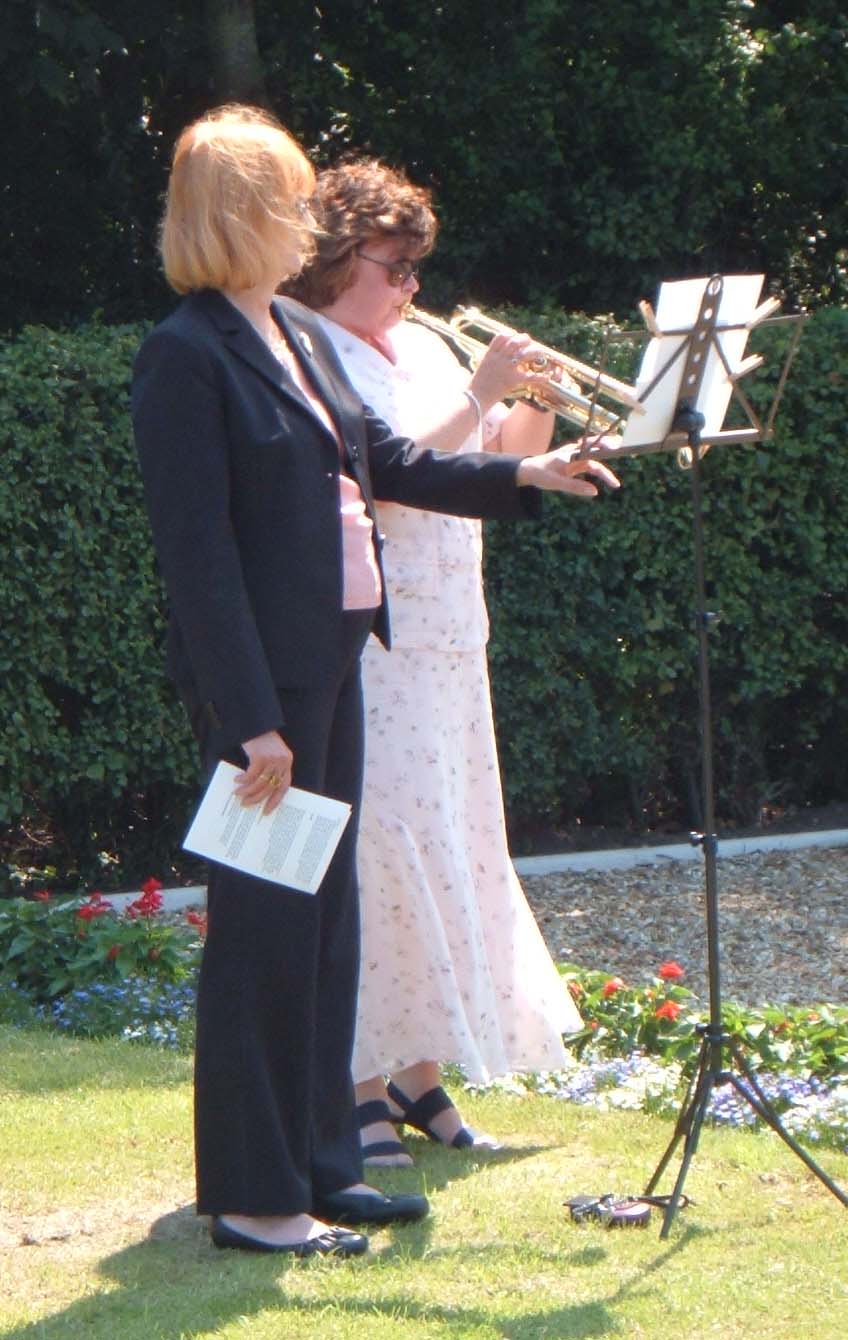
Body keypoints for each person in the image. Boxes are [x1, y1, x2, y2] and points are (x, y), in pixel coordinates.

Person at [132, 105, 619, 1257]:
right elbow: (198, 561)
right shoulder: (185, 353)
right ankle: (253, 1196)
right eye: (289, 201)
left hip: (337, 664)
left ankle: (322, 1166)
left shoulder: (287, 335)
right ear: (244, 214)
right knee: (261, 934)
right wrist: (251, 721)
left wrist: (526, 473)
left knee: (323, 930)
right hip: (268, 696)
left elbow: (386, 461)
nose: (307, 222)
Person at [287, 159, 586, 1166]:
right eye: (394, 267)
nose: (411, 287)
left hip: (453, 632)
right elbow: (393, 472)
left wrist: (532, 398)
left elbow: (493, 461)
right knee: (378, 850)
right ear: (335, 261)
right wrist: (477, 389)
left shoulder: (416, 344)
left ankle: (417, 1074)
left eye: (417, 268)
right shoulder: (307, 347)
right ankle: (357, 1081)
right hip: (375, 635)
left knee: (448, 839)